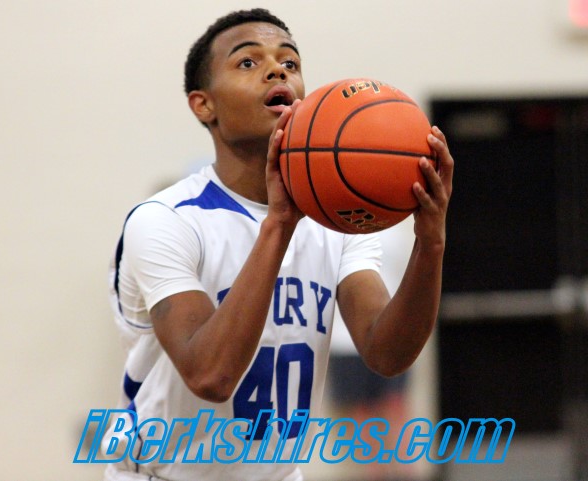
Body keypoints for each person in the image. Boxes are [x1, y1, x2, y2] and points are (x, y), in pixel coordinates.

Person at [104, 7, 454, 481]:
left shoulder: (337, 223)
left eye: (290, 62)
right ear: (203, 105)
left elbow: (387, 355)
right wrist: (280, 223)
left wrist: (430, 244)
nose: (277, 70)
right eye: (248, 62)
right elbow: (211, 376)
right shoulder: (165, 220)